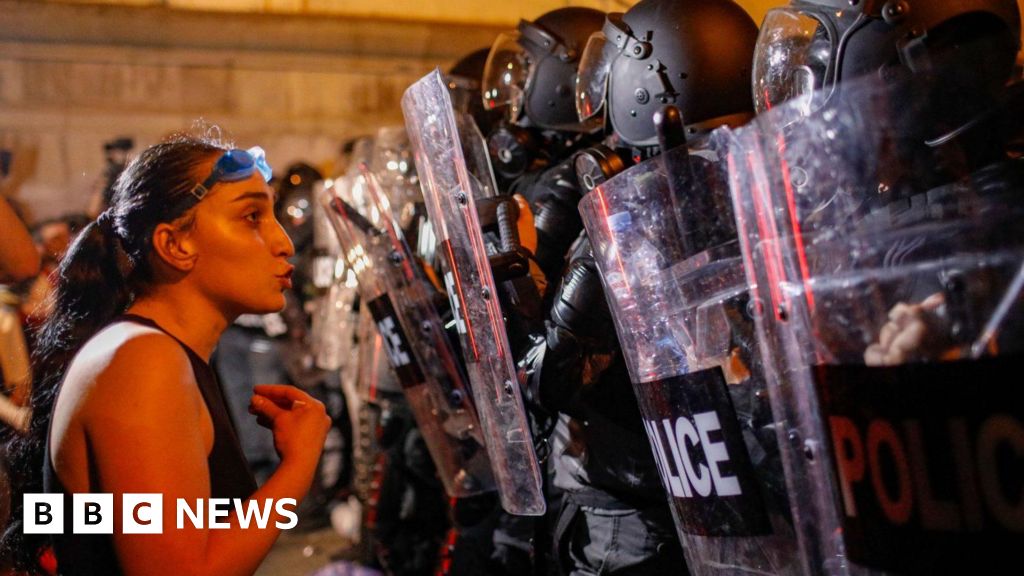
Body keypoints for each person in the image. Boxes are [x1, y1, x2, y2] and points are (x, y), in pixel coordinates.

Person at [1, 133, 332, 576]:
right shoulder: (141, 362)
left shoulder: (152, 353)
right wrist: (296, 469)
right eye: (252, 216)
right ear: (175, 244)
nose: (284, 243)